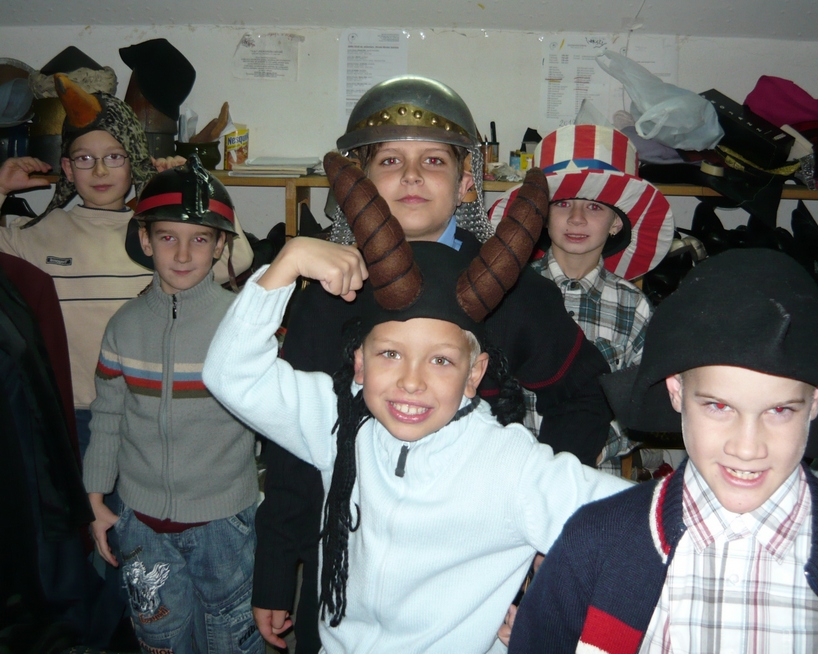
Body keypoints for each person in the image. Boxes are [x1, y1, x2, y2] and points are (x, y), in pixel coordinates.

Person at [203, 159, 632, 653]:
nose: (411, 382)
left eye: (441, 361)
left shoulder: (509, 466)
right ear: (358, 363)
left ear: (475, 374)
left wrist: (559, 619)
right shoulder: (339, 421)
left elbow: (645, 530)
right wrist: (287, 262)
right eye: (390, 354)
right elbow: (229, 373)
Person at [508, 249, 818, 654]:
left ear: (815, 402)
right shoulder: (594, 543)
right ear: (676, 392)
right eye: (718, 406)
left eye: (780, 410)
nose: (747, 447)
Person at [0, 73, 253, 457]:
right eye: (85, 159)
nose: (100, 171)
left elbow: (238, 259)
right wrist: (1, 187)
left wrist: (196, 186)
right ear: (67, 168)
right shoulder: (39, 235)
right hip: (73, 412)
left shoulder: (160, 236)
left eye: (114, 157)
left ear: (133, 160)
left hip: (149, 410)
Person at [81, 157, 263, 653]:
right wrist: (95, 500)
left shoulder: (244, 326)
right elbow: (108, 415)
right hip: (141, 523)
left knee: (231, 639)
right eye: (167, 237)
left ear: (221, 245)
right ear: (145, 241)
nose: (183, 254)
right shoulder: (123, 326)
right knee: (158, 638)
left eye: (200, 238)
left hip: (224, 523)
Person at [489, 123, 674, 471]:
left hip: (591, 478)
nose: (576, 219)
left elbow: (642, 401)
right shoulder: (509, 291)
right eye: (562, 204)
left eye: (594, 208)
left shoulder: (634, 307)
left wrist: (597, 446)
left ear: (616, 223)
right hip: (509, 473)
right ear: (542, 217)